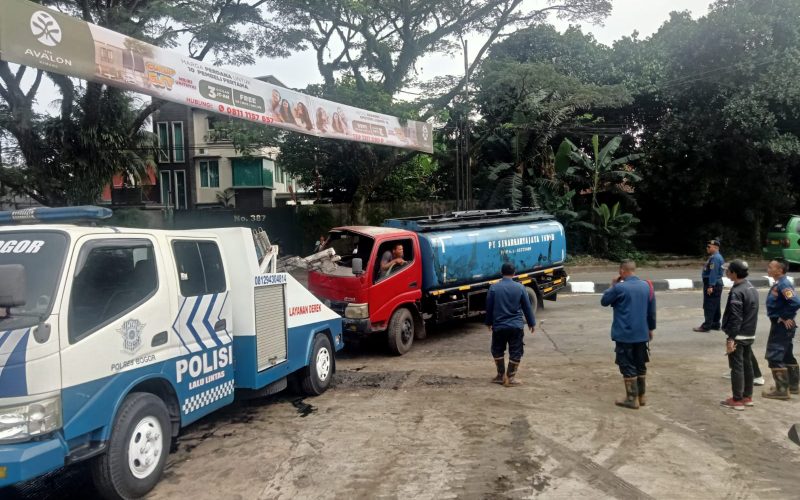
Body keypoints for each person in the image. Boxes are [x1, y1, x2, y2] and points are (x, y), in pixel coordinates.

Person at [601, 260, 656, 409]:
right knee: (640, 363)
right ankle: (641, 396)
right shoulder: (647, 286)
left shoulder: (619, 288)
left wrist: (612, 285)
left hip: (625, 334)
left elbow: (604, 301)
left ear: (622, 271)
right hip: (641, 333)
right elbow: (651, 311)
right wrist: (650, 328)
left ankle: (632, 398)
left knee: (627, 364)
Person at [485, 263, 535, 387]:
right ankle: (510, 377)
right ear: (514, 273)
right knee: (516, 351)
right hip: (516, 326)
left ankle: (500, 375)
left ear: (501, 272)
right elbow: (527, 307)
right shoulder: (520, 288)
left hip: (499, 326)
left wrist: (489, 322)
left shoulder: (494, 288)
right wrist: (531, 323)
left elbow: (489, 307)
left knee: (497, 349)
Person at [719, 260, 759, 410]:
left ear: (734, 273)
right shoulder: (751, 287)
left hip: (738, 335)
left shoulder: (737, 291)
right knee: (747, 365)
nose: (726, 272)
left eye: (728, 271)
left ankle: (737, 400)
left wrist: (731, 338)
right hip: (750, 333)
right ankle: (747, 397)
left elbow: (736, 317)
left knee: (737, 367)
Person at [763, 259, 800, 399]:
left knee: (774, 355)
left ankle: (782, 390)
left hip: (781, 326)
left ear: (780, 270)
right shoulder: (779, 283)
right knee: (786, 354)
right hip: (782, 325)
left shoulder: (783, 284)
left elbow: (795, 302)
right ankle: (793, 385)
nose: (768, 268)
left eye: (771, 266)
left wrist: (784, 316)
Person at [694, 238, 725, 332]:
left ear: (715, 247)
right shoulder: (715, 257)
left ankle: (706, 326)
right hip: (716, 283)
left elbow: (713, 273)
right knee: (715, 305)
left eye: (709, 246)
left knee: (709, 305)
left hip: (712, 283)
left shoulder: (715, 258)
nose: (706, 248)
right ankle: (715, 324)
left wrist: (711, 286)